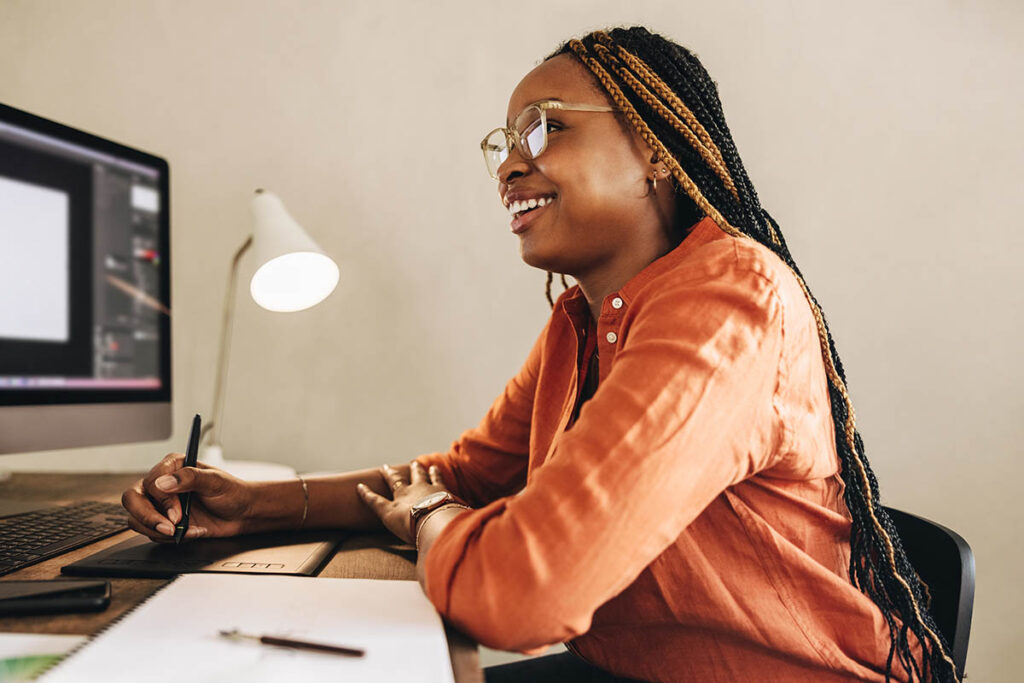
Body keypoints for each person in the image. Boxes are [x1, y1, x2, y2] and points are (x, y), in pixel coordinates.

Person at [122, 26, 958, 683]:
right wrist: (257, 504)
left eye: (545, 128)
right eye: (503, 142)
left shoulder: (728, 295)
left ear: (658, 147)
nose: (510, 163)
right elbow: (464, 473)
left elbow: (523, 592)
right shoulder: (578, 322)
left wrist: (426, 521)